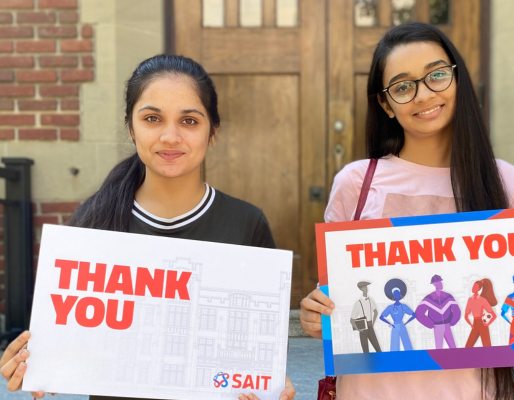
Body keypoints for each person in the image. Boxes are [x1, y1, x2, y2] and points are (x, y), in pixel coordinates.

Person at [299, 22, 514, 400]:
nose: (424, 95)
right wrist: (317, 314)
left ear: (457, 79)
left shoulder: (510, 183)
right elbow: (331, 302)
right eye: (403, 86)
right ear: (385, 103)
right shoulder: (355, 183)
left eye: (437, 75)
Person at [0, 55, 295, 400]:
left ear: (213, 132)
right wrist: (35, 363)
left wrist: (272, 387)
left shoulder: (247, 223)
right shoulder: (91, 225)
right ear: (131, 128)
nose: (170, 136)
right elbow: (69, 346)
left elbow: (257, 353)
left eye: (189, 120)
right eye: (153, 118)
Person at [415, 274, 461, 349]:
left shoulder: (448, 296)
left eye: (441, 282)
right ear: (434, 284)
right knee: (439, 349)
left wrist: (452, 322)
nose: (441, 284)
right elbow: (418, 313)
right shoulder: (429, 298)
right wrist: (430, 324)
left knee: (453, 347)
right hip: (437, 327)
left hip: (447, 325)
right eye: (438, 282)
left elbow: (457, 310)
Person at [379, 278, 415, 351]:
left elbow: (414, 315)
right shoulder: (390, 307)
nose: (397, 295)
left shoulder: (404, 306)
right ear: (393, 296)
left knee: (407, 345)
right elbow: (381, 317)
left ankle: (411, 359)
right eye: (395, 294)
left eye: (398, 294)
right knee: (394, 347)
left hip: (402, 325)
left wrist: (406, 323)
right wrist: (390, 323)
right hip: (395, 326)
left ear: (400, 295)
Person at [465, 279, 498, 348]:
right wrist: (471, 324)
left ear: (478, 288)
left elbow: (494, 315)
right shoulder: (470, 300)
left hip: (483, 325)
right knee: (468, 347)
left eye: (475, 286)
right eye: (473, 286)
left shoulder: (482, 300)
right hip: (475, 324)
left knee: (487, 347)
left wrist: (487, 324)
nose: (473, 288)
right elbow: (466, 315)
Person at [350, 281, 382, 353]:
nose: (366, 288)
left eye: (366, 287)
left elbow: (376, 312)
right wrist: (358, 329)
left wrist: (373, 323)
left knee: (378, 348)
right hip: (363, 328)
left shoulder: (370, 299)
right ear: (361, 289)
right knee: (365, 350)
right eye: (364, 287)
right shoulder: (358, 303)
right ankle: (368, 363)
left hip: (370, 326)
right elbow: (352, 320)